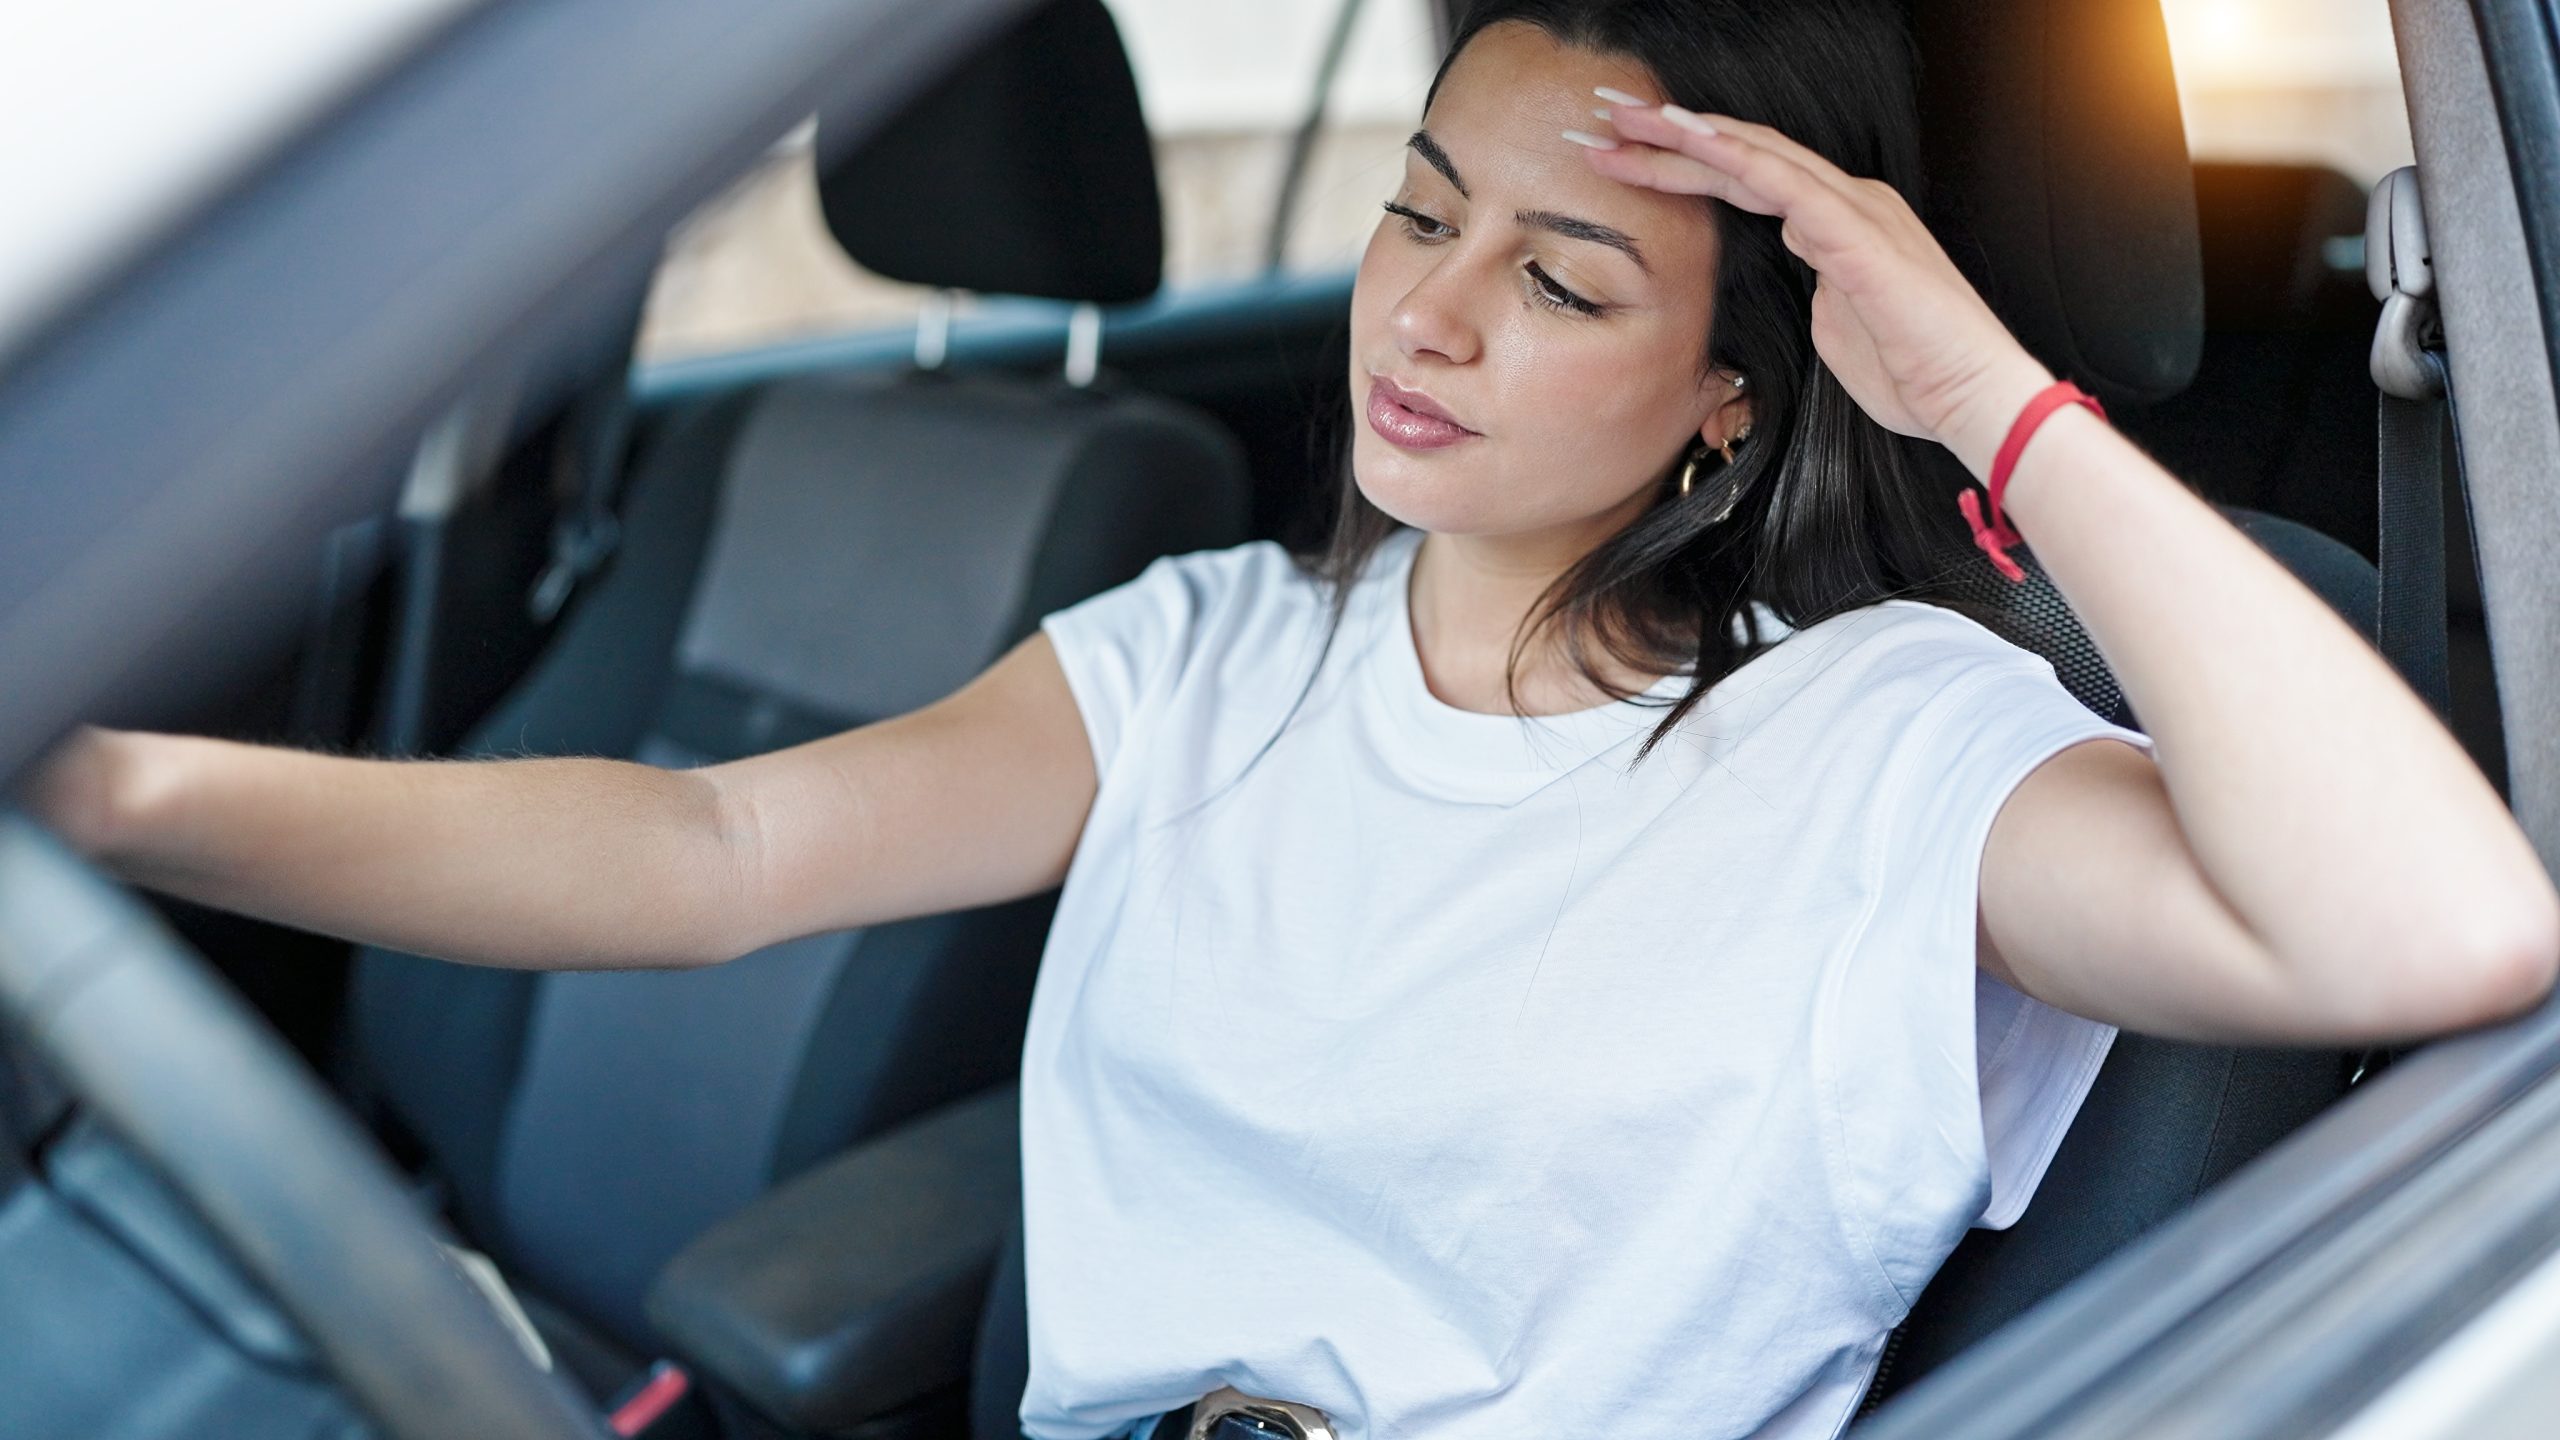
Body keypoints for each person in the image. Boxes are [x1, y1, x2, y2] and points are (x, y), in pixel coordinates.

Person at [27, 1, 2560, 1436]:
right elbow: (702, 862)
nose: (1428, 315)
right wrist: (96, 784)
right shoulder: (1215, 649)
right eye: (1417, 207)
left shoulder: (1897, 758)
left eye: (1563, 279)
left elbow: (2434, 930)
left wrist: (1986, 392)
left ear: (1731, 399)